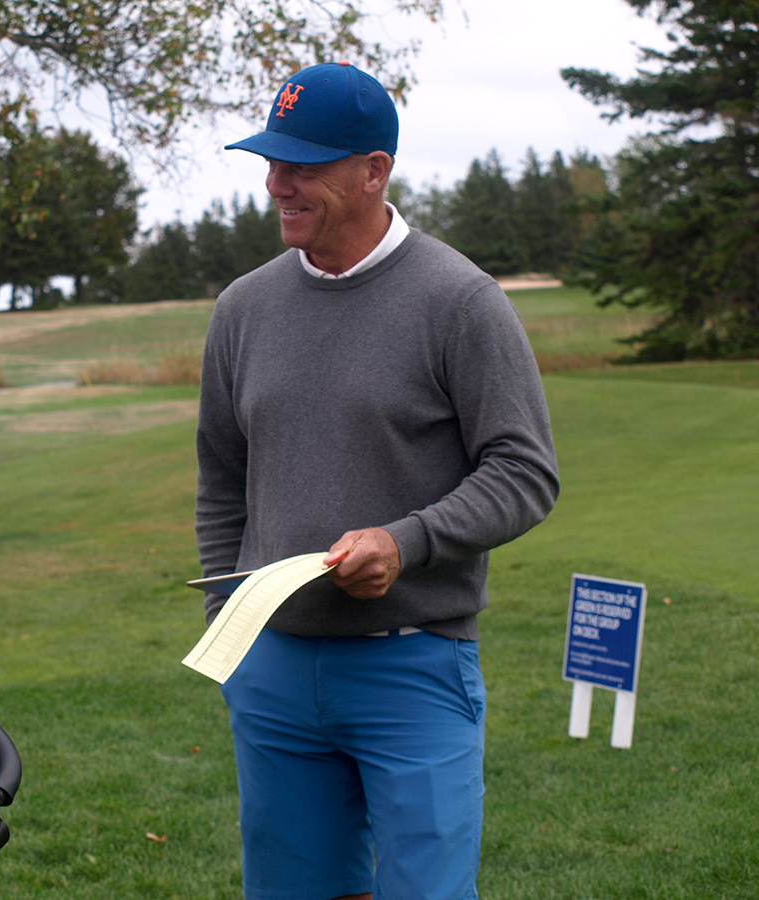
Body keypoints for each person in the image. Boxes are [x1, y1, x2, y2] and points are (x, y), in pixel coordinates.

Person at [195, 63, 560, 900]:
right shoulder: (242, 309)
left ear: (373, 171)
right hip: (273, 667)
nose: (277, 184)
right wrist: (228, 630)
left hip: (415, 664)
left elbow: (524, 471)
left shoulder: (461, 301)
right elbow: (222, 477)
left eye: (303, 165)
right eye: (272, 162)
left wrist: (407, 542)